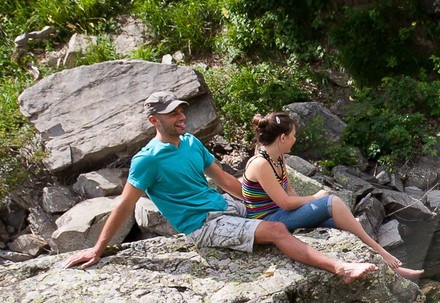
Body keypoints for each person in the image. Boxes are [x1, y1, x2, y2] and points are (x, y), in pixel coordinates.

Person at [63, 91, 377, 282]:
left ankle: (360, 244)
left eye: (181, 110)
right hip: (202, 226)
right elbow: (125, 205)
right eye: (172, 113)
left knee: (285, 217)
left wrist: (266, 204)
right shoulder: (146, 161)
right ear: (154, 121)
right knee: (278, 232)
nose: (181, 116)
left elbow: (227, 182)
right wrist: (98, 249)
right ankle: (340, 268)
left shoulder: (190, 143)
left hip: (224, 206)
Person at [242, 110, 421, 278]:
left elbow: (289, 191)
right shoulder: (261, 164)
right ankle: (382, 253)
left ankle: (383, 264)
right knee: (332, 202)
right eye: (293, 135)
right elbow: (286, 203)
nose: (295, 139)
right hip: (268, 222)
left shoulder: (277, 157)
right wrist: (315, 198)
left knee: (341, 223)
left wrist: (307, 210)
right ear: (282, 138)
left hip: (281, 216)